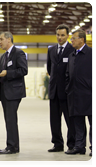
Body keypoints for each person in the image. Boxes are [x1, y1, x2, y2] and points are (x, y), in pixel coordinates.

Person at [0, 32, 28, 154]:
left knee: (11, 119)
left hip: (14, 92)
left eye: (1, 39)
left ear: (9, 40)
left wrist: (8, 73)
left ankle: (12, 147)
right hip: (5, 92)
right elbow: (1, 72)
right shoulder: (3, 56)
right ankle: (13, 146)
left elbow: (23, 70)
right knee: (9, 119)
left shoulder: (18, 53)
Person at [46, 24, 75, 153]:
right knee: (54, 120)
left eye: (62, 35)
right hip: (54, 91)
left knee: (70, 120)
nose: (60, 37)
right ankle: (57, 144)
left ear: (68, 36)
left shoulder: (72, 49)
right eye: (58, 35)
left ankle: (72, 144)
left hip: (67, 91)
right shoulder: (51, 50)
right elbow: (49, 68)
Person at [65, 29, 94, 156]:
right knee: (78, 122)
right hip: (74, 94)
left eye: (73, 38)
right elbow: (67, 74)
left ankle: (94, 147)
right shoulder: (72, 55)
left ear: (82, 39)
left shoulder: (92, 54)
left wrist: (91, 86)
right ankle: (79, 146)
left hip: (90, 94)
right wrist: (68, 88)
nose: (71, 40)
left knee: (93, 123)